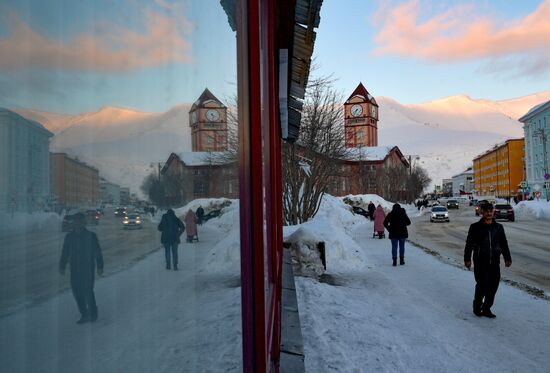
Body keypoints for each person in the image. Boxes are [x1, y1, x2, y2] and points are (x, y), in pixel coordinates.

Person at [464, 202, 512, 318]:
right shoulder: (475, 227)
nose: (489, 213)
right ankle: (477, 306)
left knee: (493, 287)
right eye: (486, 211)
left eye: (490, 211)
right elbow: (469, 244)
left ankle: (486, 308)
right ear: (482, 212)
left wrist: (507, 258)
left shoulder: (498, 227)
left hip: (494, 262)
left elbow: (503, 243)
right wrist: (467, 259)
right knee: (482, 285)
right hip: (480, 262)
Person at [59, 213, 104, 324]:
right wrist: (62, 265)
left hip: (88, 268)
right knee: (77, 292)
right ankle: (84, 314)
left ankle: (93, 314)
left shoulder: (91, 236)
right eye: (75, 221)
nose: (77, 223)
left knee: (88, 291)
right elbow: (65, 252)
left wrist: (100, 266)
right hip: (75, 269)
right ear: (73, 223)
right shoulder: (69, 237)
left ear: (84, 223)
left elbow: (98, 252)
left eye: (80, 221)